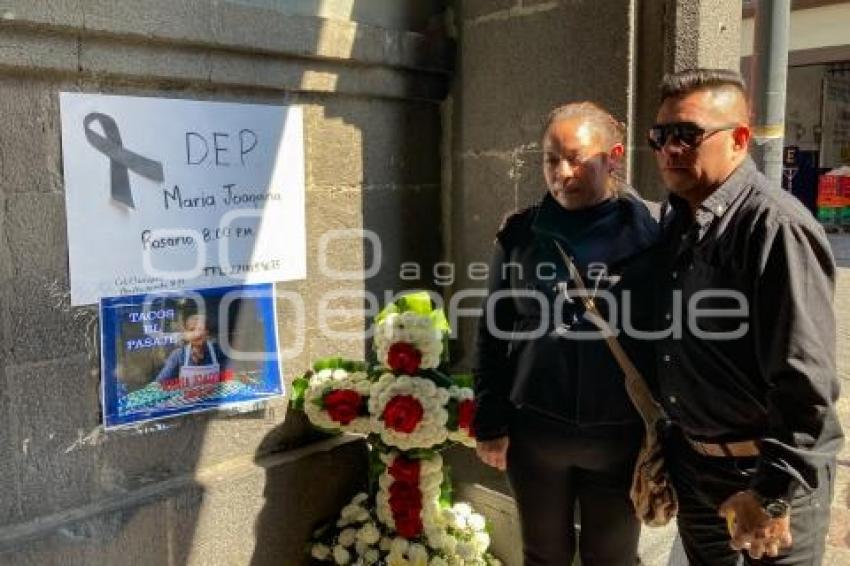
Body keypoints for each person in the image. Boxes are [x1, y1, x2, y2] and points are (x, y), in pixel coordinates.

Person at [649, 68, 843, 565]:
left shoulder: (774, 226)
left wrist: (772, 494)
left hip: (768, 479)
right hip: (696, 473)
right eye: (661, 135)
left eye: (687, 135)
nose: (670, 148)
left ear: (738, 139)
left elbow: (807, 385)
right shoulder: (679, 219)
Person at [472, 101, 660, 565]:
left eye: (576, 158)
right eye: (551, 160)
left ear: (613, 156)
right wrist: (490, 421)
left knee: (612, 559)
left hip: (619, 436)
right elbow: (493, 332)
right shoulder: (520, 234)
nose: (562, 173)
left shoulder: (653, 232)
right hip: (536, 432)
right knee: (542, 556)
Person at [155, 313, 231, 387]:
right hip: (186, 398)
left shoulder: (217, 352)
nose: (196, 334)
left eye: (200, 329)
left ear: (207, 333)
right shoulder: (178, 355)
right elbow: (159, 384)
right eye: (192, 330)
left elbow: (230, 378)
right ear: (186, 334)